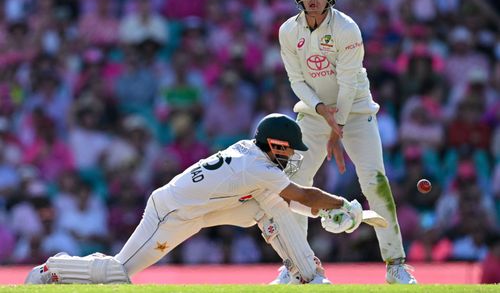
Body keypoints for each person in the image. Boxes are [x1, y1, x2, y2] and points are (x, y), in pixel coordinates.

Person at [25, 113, 363, 285]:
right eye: (289, 149)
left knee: (267, 204)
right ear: (274, 144)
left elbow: (292, 199)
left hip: (200, 210)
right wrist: (341, 206)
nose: (292, 155)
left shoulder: (252, 152)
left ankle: (306, 273)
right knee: (118, 274)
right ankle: (53, 267)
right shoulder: (258, 166)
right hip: (170, 213)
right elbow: (302, 195)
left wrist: (324, 209)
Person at [274, 0, 417, 284]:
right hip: (313, 114)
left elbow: (349, 83)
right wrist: (322, 111)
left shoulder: (347, 29)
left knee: (374, 180)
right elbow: (296, 80)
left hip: (355, 113)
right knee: (291, 183)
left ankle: (395, 264)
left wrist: (336, 128)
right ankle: (298, 267)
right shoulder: (287, 31)